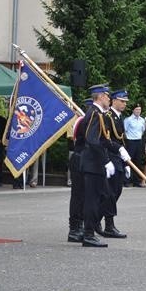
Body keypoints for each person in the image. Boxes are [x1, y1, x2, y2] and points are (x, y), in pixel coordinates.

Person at [79, 84, 115, 248]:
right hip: (93, 164)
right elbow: (92, 140)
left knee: (103, 196)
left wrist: (119, 149)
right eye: (108, 96)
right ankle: (88, 235)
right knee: (92, 200)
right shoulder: (95, 114)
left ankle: (90, 231)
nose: (109, 99)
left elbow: (103, 140)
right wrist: (105, 160)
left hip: (94, 163)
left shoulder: (97, 113)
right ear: (100, 97)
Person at [99, 89, 130, 238]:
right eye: (122, 101)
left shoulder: (119, 117)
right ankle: (108, 225)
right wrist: (118, 150)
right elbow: (106, 139)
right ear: (114, 100)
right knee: (111, 192)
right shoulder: (107, 116)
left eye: (125, 102)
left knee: (116, 191)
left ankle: (96, 219)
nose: (124, 104)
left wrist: (127, 163)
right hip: (110, 156)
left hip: (118, 157)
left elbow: (121, 138)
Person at [66, 98, 92, 243]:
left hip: (86, 160)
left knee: (85, 196)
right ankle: (74, 229)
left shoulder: (88, 121)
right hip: (79, 160)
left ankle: (81, 225)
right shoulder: (82, 121)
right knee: (78, 196)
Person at [123, 103, 146, 186]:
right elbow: (124, 132)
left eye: (139, 109)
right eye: (136, 109)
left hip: (139, 141)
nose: (138, 111)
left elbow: (143, 131)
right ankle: (126, 181)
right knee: (128, 161)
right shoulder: (128, 120)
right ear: (133, 110)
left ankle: (136, 181)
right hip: (130, 141)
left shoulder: (142, 120)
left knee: (138, 161)